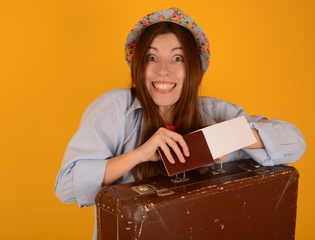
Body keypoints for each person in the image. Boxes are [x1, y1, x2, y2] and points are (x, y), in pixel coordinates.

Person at [54, 7, 306, 239]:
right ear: (138, 67)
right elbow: (66, 187)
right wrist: (139, 155)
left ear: (194, 67)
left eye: (178, 59)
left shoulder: (216, 111)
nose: (163, 70)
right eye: (151, 58)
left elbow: (295, 144)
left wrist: (233, 136)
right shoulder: (114, 108)